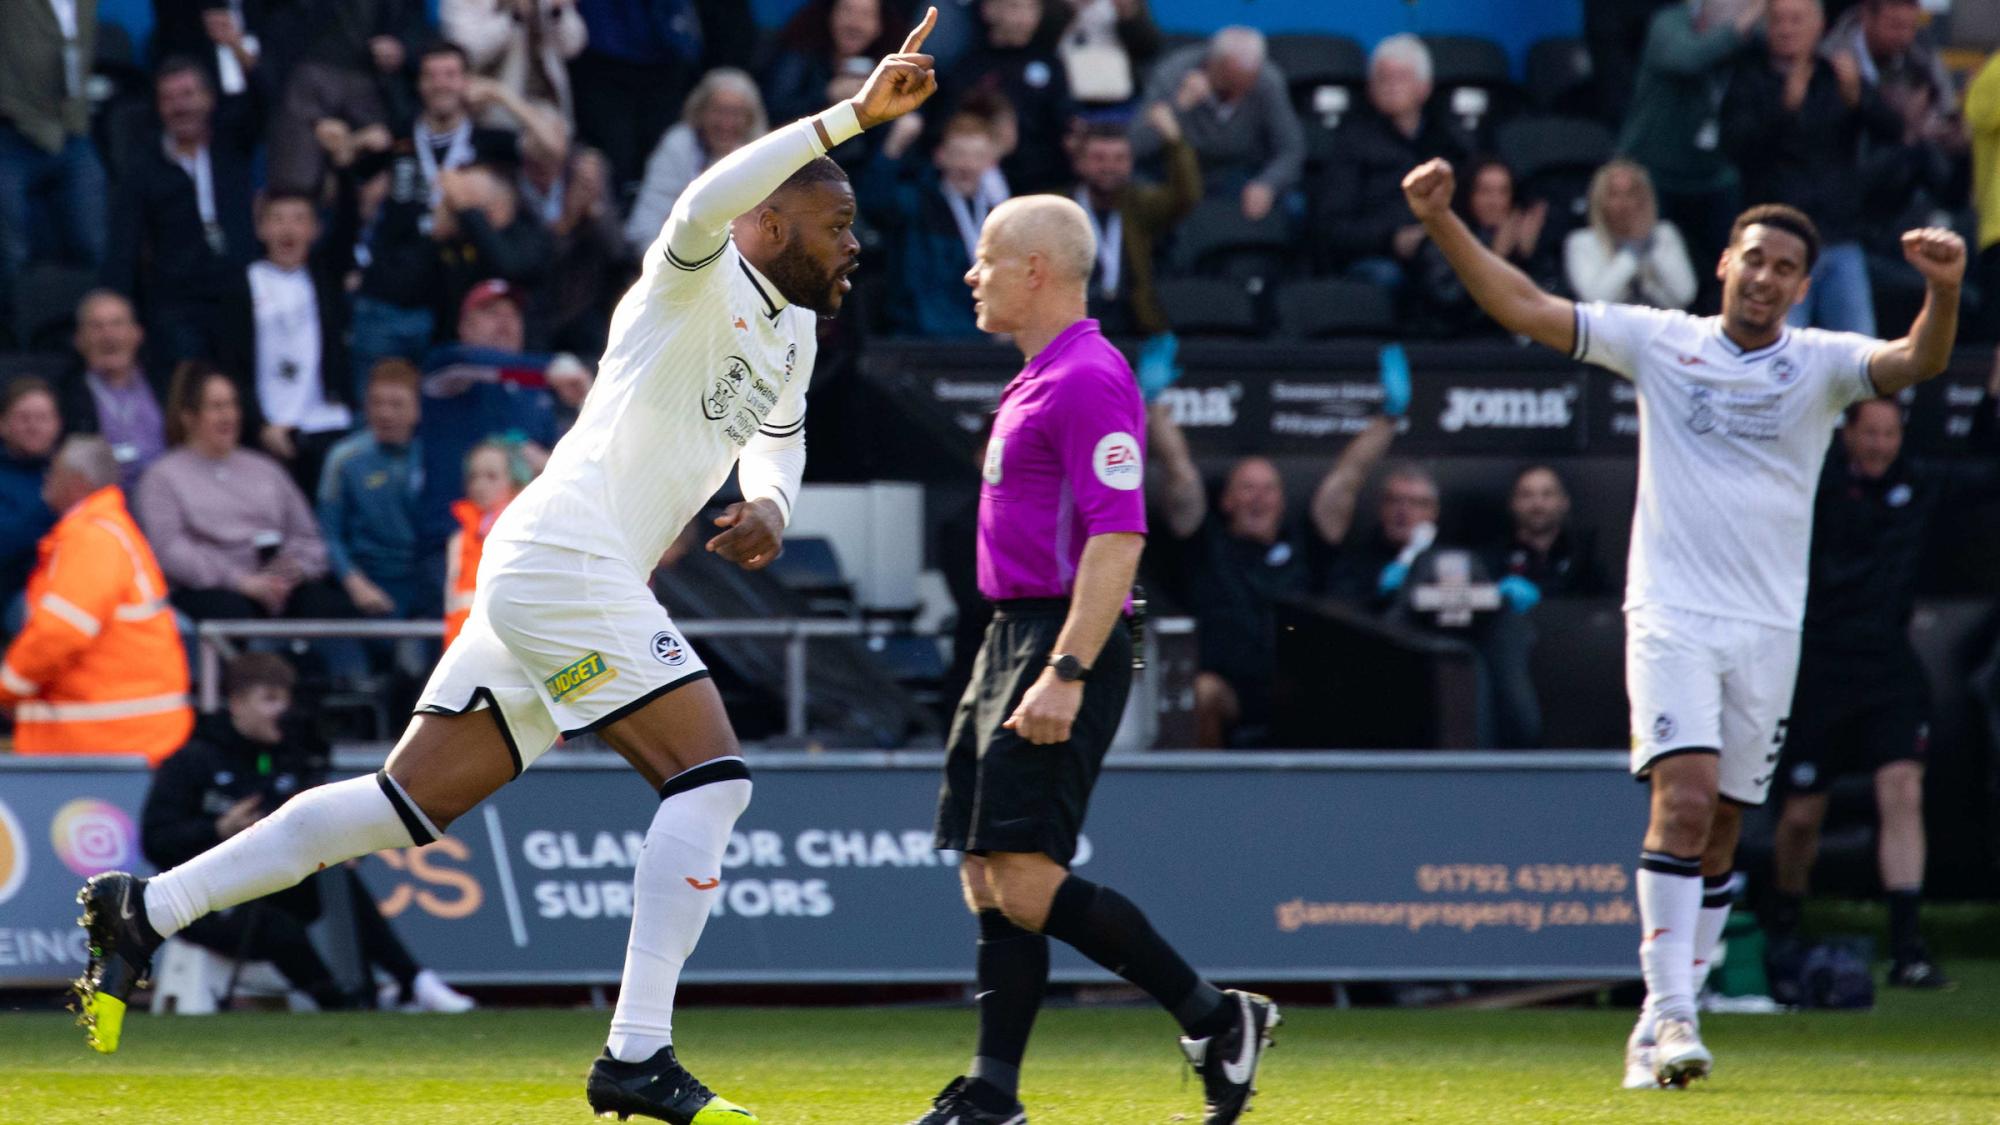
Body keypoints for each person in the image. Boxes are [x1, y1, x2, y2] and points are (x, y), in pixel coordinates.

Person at [74, 18, 940, 1125]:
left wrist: (770, 498)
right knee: (712, 780)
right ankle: (637, 1056)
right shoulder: (690, 269)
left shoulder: (796, 333)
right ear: (767, 222)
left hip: (561, 570)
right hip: (565, 556)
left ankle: (144, 908)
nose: (852, 242)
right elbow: (702, 197)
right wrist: (850, 117)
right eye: (835, 220)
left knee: (397, 805)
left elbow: (780, 433)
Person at [1400, 154, 1964, 1088]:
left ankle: (1669, 1019)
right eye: (1754, 259)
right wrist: (1443, 221)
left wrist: (1941, 292)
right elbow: (1528, 308)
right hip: (1671, 613)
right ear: (1724, 265)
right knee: (1687, 796)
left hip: (1769, 627)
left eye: (1785, 268)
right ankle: (1665, 1013)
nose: (1767, 277)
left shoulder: (1819, 363)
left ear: (1801, 285)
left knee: (1723, 831)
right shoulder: (1663, 341)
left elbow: (1919, 360)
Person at [908, 193, 1277, 1125]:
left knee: (1025, 873)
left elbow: (1118, 539)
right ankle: (993, 1092)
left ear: (1036, 269)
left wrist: (1066, 670)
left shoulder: (1089, 377)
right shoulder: (1040, 374)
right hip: (1009, 632)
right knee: (987, 869)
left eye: (986, 258)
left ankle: (1215, 1015)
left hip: (1062, 634)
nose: (971, 273)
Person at [141, 652, 474, 1014]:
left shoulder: (293, 756)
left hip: (272, 886)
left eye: (285, 699)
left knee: (338, 880)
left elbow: (321, 822)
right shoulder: (192, 760)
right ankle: (339, 1003)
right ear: (237, 703)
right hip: (207, 898)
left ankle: (412, 982)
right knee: (276, 927)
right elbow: (155, 839)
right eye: (269, 699)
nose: (281, 711)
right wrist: (217, 830)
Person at [1767, 398, 1948, 990]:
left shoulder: (1920, 485)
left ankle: (1907, 946)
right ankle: (1785, 928)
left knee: (1901, 789)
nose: (1879, 446)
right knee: (1800, 816)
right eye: (1869, 433)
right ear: (1845, 434)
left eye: (1890, 434)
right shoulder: (1813, 484)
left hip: (1888, 668)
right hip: (1817, 666)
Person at [1146, 366, 1400, 748]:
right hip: (1229, 689)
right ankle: (1204, 796)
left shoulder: (1306, 543)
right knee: (1201, 693)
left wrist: (1390, 417)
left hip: (1301, 688)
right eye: (1247, 489)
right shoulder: (1202, 544)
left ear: (1282, 500)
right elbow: (1179, 473)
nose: (1259, 497)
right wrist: (1153, 407)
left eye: (1268, 489)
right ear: (1227, 501)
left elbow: (1349, 477)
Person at [335, 44, 568, 392]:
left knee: (444, 419)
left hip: (448, 311)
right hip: (388, 304)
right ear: (419, 84)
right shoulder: (396, 136)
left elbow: (553, 151)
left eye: (450, 75)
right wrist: (352, 144)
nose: (440, 84)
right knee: (379, 415)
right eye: (431, 75)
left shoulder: (487, 141)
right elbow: (345, 171)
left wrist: (502, 96)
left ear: (466, 82)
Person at [0, 436, 192, 764]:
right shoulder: (106, 532)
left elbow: (60, 632)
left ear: (77, 482)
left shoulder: (93, 538)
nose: (47, 477)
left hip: (106, 743)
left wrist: (7, 686)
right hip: (116, 740)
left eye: (55, 470)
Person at [1719, 0, 1902, 334]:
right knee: (1777, 346)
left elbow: (1893, 132)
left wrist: (1859, 99)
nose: (1786, 29)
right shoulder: (1750, 76)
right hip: (1776, 241)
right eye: (1779, 20)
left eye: (1796, 20)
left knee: (1859, 352)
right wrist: (1784, 109)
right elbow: (1733, 147)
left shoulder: (1837, 74)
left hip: (1838, 234)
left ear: (1819, 26)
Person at [132, 361, 352, 625]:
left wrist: (295, 569)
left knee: (329, 607)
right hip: (212, 591)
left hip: (278, 583)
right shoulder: (162, 477)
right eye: (217, 407)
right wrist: (239, 581)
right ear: (189, 417)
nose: (229, 416)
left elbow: (308, 537)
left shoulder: (266, 468)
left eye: (232, 405)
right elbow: (169, 550)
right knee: (233, 612)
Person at [102, 58, 263, 374]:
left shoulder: (231, 145)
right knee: (188, 386)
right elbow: (124, 244)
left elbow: (265, 100)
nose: (180, 107)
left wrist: (237, 50)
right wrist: (116, 307)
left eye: (188, 94)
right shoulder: (143, 167)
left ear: (210, 99)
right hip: (179, 300)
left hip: (240, 291)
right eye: (169, 98)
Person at [1617, 0, 1766, 302]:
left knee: (1731, 263)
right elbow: (1686, 58)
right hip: (1653, 170)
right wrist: (1740, 26)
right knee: (1650, 268)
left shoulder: (1752, 36)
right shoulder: (1670, 22)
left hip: (1712, 172)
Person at [215, 190, 360, 496]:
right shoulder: (242, 283)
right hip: (267, 427)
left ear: (314, 229)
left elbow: (349, 225)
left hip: (323, 423)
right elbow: (231, 364)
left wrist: (343, 168)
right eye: (277, 219)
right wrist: (259, 424)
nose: (288, 230)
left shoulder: (325, 277)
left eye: (299, 219)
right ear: (260, 228)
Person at [1314, 34, 1471, 293]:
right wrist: (1392, 240)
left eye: (1401, 77)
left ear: (1425, 86)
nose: (1391, 86)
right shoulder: (1353, 142)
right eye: (1383, 78)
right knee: (1388, 277)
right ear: (1370, 88)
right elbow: (1331, 227)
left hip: (1441, 249)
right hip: (1378, 256)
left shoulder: (1448, 140)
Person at [0, 0, 108, 346]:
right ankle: (13, 339)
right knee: (10, 247)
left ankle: (98, 332)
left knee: (95, 240)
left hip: (71, 131)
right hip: (12, 130)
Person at [860, 111, 1009, 337]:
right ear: (940, 156)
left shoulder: (998, 214)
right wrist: (894, 146)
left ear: (991, 162)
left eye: (977, 156)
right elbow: (874, 202)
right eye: (959, 154)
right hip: (919, 338)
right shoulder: (916, 203)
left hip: (979, 341)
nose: (967, 165)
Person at [1131, 25, 1302, 220]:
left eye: (1245, 87)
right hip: (1174, 177)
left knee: (1293, 205)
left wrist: (1268, 184)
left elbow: (1291, 149)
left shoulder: (1267, 81)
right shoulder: (1173, 74)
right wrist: (1180, 105)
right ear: (1213, 65)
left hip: (1238, 175)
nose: (1238, 96)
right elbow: (1136, 147)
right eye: (1231, 86)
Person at [262, 0, 430, 194]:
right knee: (295, 183)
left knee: (381, 169)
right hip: (303, 81)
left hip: (378, 87)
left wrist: (402, 49)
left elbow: (420, 31)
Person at [1070, 104, 1199, 337]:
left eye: (1119, 158)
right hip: (1072, 324)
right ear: (1079, 163)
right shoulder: (1059, 208)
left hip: (1131, 324)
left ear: (1131, 163)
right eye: (1099, 158)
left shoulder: (1139, 205)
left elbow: (1186, 196)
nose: (1109, 167)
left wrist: (1174, 141)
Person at [318, 360, 427, 621]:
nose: (385, 413)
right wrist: (355, 584)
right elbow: (327, 533)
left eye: (396, 404)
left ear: (418, 409)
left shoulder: (435, 455)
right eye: (377, 403)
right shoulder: (343, 458)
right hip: (367, 578)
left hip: (424, 581)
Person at [625, 69, 770, 256]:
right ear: (700, 112)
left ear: (750, 119)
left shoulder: (762, 155)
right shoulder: (679, 144)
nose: (726, 124)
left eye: (736, 113)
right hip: (669, 259)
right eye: (719, 111)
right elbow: (646, 220)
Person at [936, 0, 1074, 195]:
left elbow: (1065, 123)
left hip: (1040, 180)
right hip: (979, 176)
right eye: (1014, 6)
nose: (1024, 18)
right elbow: (950, 123)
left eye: (1031, 8)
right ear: (989, 9)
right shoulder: (969, 66)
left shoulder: (1050, 64)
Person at [1413, 157, 1556, 337]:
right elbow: (1448, 302)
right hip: (1455, 347)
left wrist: (1527, 256)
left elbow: (1547, 305)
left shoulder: (1522, 241)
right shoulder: (1441, 240)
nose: (1494, 202)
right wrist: (1495, 256)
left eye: (1503, 192)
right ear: (1467, 194)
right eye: (1485, 192)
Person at [60, 291, 168, 489]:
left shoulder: (167, 386)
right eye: (97, 327)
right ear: (79, 340)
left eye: (117, 324)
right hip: (100, 497)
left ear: (137, 333)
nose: (108, 335)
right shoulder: (64, 395)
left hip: (167, 495)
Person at [1564, 159, 1698, 310]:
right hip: (1610, 330)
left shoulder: (1664, 234)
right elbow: (1595, 299)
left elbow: (1685, 294)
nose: (1624, 203)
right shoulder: (1582, 242)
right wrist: (1633, 249)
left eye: (1631, 193)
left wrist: (1650, 244)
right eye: (1614, 195)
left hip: (1662, 325)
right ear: (1600, 200)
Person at [442, 0, 590, 129]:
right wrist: (513, 17)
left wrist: (557, 12)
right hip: (491, 109)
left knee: (553, 142)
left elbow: (573, 47)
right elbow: (466, 53)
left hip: (544, 103)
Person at [444, 439, 529, 647]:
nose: (480, 485)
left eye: (492, 476)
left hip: (508, 652)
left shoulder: (527, 533)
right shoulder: (458, 540)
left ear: (515, 482)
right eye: (474, 476)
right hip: (462, 652)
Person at [1479, 465, 1610, 598]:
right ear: (1513, 503)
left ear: (1564, 502)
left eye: (1547, 494)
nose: (1537, 504)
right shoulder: (1492, 559)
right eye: (1527, 495)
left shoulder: (1584, 559)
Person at [1, 378, 61, 621]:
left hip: (81, 580)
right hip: (16, 591)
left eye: (43, 418)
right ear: (3, 425)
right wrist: (51, 502)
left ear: (57, 424)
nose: (34, 427)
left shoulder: (70, 470)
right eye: (24, 418)